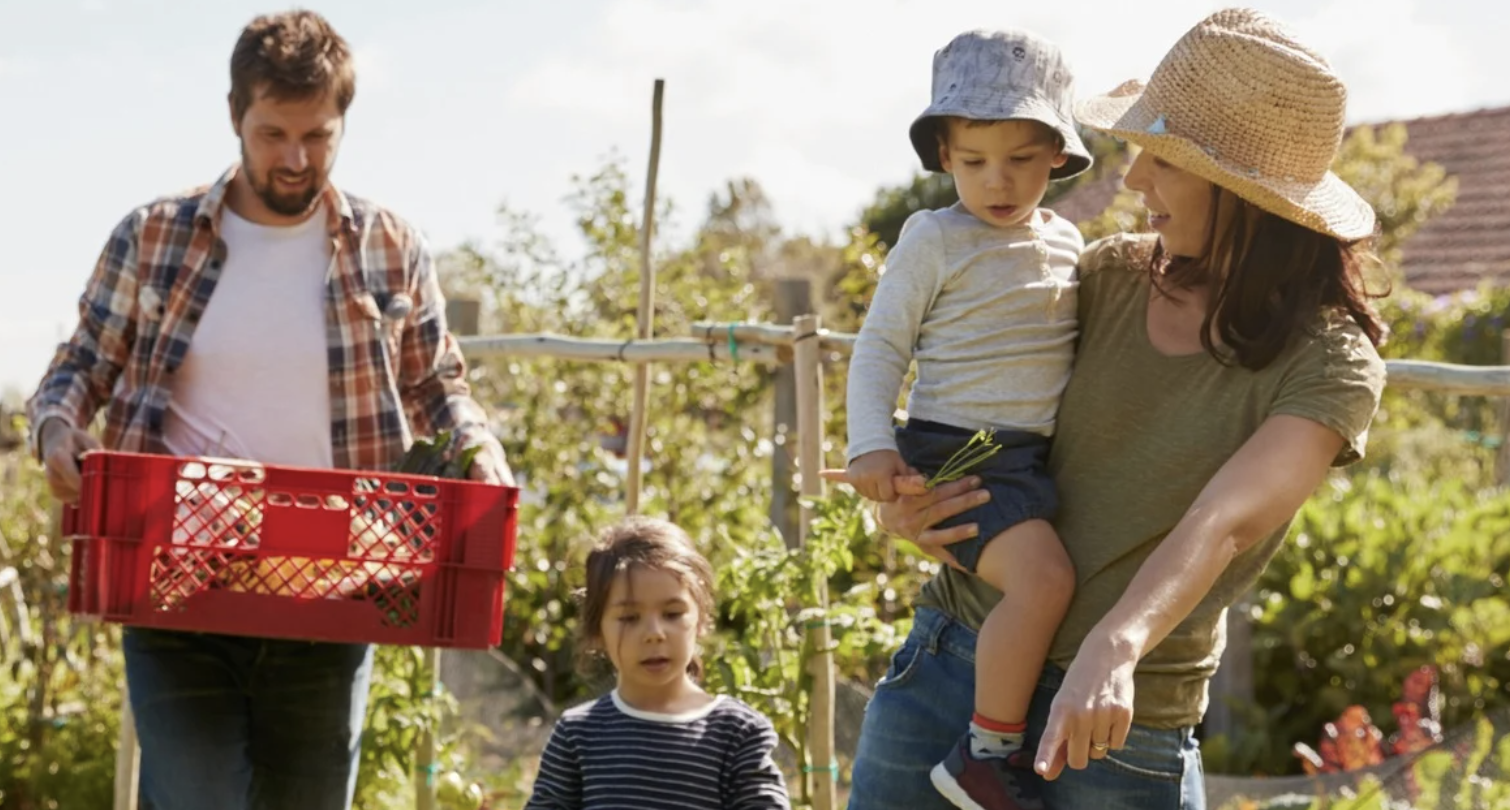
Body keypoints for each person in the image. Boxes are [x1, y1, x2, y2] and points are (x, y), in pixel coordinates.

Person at [838, 9, 1390, 809]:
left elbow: (1224, 521)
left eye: (1160, 161)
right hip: (951, 671)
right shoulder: (1103, 277)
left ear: (1242, 190)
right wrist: (911, 504)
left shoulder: (1330, 362)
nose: (1132, 183)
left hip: (1118, 724)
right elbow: (971, 397)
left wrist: (1115, 646)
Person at [25, 9, 512, 809]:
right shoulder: (154, 236)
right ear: (234, 117)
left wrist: (478, 446)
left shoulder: (387, 245)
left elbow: (436, 384)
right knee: (198, 796)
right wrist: (55, 428)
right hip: (177, 575)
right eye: (272, 134)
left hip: (336, 581)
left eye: (318, 136)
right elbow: (80, 365)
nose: (295, 159)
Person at [842, 28, 1091, 810]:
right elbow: (881, 346)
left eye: (1020, 158)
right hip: (963, 449)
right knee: (1046, 581)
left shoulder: (1069, 243)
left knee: (1043, 577)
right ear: (944, 157)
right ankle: (988, 754)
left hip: (1020, 455)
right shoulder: (933, 238)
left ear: (1057, 152)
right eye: (975, 161)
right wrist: (871, 445)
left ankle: (991, 744)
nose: (998, 180)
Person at [525, 517, 792, 810]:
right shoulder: (577, 734)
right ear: (597, 631)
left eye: (672, 613)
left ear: (701, 619)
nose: (654, 634)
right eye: (629, 618)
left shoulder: (738, 732)